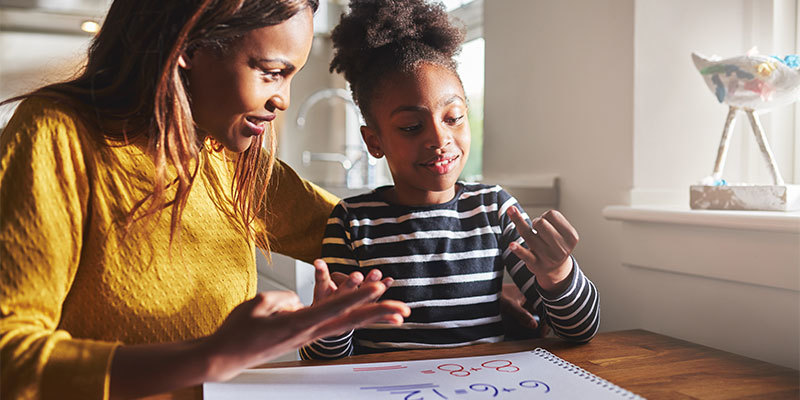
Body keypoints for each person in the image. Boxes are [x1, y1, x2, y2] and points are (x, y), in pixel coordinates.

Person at [0, 1, 413, 399]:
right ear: (189, 47)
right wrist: (212, 357)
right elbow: (10, 356)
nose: (282, 99)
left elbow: (373, 236)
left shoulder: (229, 159)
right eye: (271, 72)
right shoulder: (56, 135)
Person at [300, 0, 600, 360]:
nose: (440, 139)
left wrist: (558, 274)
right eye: (412, 127)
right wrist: (329, 324)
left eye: (453, 117)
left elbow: (580, 330)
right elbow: (323, 360)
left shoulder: (493, 208)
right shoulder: (351, 221)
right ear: (374, 142)